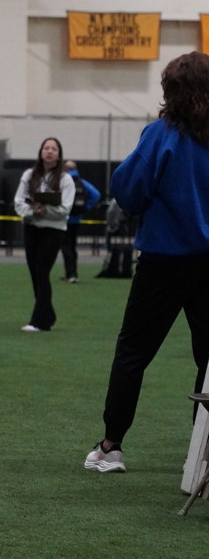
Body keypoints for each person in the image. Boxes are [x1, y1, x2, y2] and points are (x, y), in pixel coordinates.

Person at [89, 52, 209, 474]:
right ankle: (202, 455)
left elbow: (129, 192)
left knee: (133, 353)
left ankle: (111, 446)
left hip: (163, 261)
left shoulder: (161, 135)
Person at [13, 137, 75, 332]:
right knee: (35, 273)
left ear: (59, 154)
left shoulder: (65, 179)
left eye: (54, 149)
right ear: (41, 152)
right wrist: (33, 212)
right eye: (46, 148)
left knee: (42, 271)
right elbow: (18, 201)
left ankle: (39, 321)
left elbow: (65, 209)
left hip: (53, 230)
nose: (49, 151)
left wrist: (45, 210)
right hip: (32, 227)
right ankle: (47, 315)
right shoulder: (29, 175)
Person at [60, 159, 100, 282]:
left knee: (66, 247)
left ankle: (70, 274)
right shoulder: (82, 182)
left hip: (64, 219)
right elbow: (96, 194)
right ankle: (74, 273)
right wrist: (86, 207)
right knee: (72, 246)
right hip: (77, 219)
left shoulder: (63, 182)